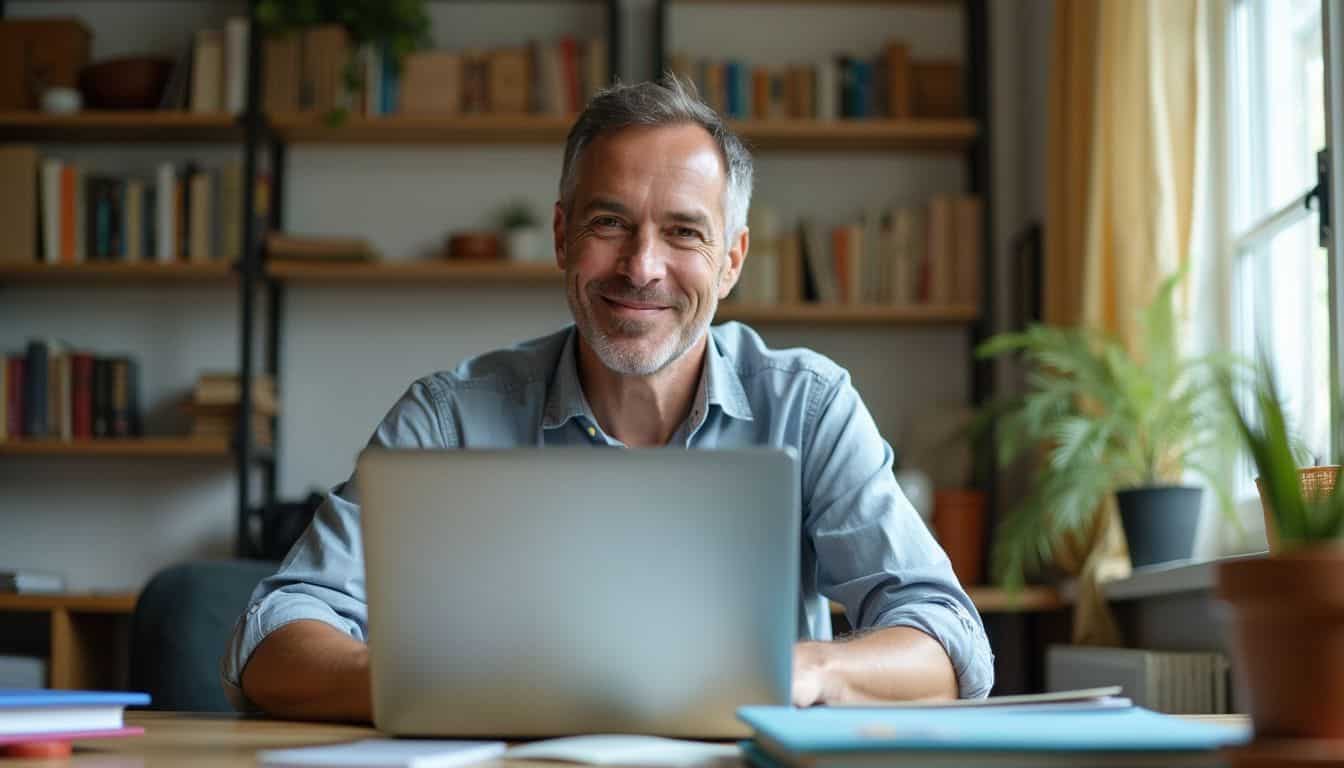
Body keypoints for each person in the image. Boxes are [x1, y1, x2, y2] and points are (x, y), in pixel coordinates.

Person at [223, 76, 994, 721]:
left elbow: (949, 641)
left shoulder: (811, 406)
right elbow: (273, 637)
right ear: (561, 237)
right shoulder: (447, 415)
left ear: (731, 260)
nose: (642, 267)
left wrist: (809, 671)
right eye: (609, 223)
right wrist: (451, 689)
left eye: (684, 234)